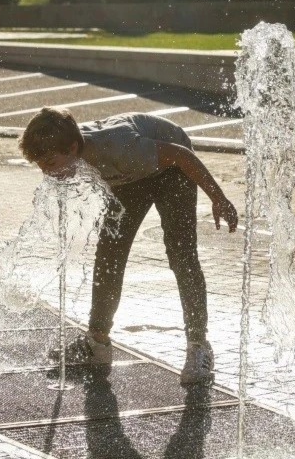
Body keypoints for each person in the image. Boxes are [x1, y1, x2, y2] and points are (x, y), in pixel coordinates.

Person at [18, 108, 240, 385]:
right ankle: (96, 343)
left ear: (73, 148)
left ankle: (199, 346)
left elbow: (183, 156)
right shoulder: (68, 148)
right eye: (42, 167)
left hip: (173, 169)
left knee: (181, 254)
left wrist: (218, 198)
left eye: (51, 164)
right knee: (109, 254)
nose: (49, 173)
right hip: (131, 176)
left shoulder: (118, 147)